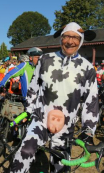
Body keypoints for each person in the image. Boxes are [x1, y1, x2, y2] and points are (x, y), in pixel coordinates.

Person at [9, 22, 99, 173]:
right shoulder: (45, 60)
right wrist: (29, 110)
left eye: (75, 37)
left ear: (81, 40)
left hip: (66, 124)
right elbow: (33, 88)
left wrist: (88, 128)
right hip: (40, 119)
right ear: (61, 38)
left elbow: (91, 100)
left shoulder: (87, 68)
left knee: (61, 166)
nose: (70, 41)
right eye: (67, 36)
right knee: (24, 152)